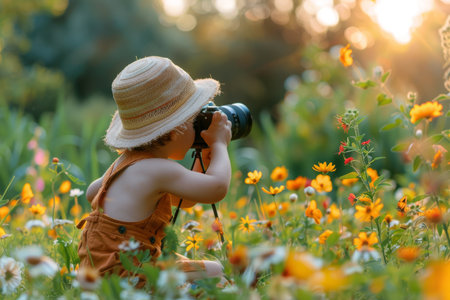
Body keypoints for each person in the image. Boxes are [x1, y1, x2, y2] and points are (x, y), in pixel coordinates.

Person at [76, 56, 232, 288]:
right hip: (130, 278)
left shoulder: (126, 164)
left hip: (100, 274)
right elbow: (217, 188)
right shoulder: (158, 170)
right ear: (175, 129)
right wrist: (219, 145)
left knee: (212, 268)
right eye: (194, 120)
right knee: (218, 278)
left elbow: (92, 192)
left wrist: (205, 158)